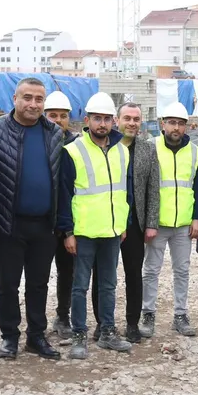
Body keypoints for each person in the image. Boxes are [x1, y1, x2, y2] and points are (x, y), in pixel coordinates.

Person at [0, 78, 67, 361]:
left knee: (38, 283)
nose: (33, 104)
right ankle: (9, 336)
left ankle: (36, 335)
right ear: (14, 98)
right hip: (9, 223)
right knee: (7, 284)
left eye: (39, 99)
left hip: (44, 224)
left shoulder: (54, 133)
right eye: (27, 98)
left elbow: (61, 180)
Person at [67, 93, 133, 359]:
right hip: (84, 232)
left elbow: (124, 191)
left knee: (108, 285)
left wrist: (123, 223)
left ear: (114, 121)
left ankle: (107, 332)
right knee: (80, 287)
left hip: (112, 231)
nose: (102, 124)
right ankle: (79, 335)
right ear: (87, 120)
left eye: (107, 119)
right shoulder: (73, 151)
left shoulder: (122, 151)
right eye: (97, 118)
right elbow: (64, 195)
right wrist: (68, 232)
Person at [93, 102, 160, 344]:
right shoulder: (104, 146)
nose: (132, 123)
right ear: (116, 120)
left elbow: (153, 188)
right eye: (127, 118)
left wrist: (151, 223)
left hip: (134, 222)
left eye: (136, 119)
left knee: (133, 273)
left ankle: (132, 323)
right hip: (107, 220)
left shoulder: (147, 149)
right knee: (102, 274)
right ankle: (103, 323)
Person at [140, 102, 198, 338]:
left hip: (183, 225)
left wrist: (196, 218)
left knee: (182, 270)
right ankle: (148, 314)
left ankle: (180, 315)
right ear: (162, 124)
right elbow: (143, 188)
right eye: (172, 123)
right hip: (157, 224)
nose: (176, 128)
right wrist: (148, 222)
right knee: (151, 270)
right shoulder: (150, 148)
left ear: (186, 126)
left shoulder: (196, 153)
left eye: (180, 123)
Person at [43, 90, 80, 340]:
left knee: (68, 272)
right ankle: (36, 322)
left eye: (63, 115)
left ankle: (63, 316)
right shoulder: (38, 141)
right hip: (43, 221)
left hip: (69, 221)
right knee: (39, 275)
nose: (58, 120)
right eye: (53, 115)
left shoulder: (77, 146)